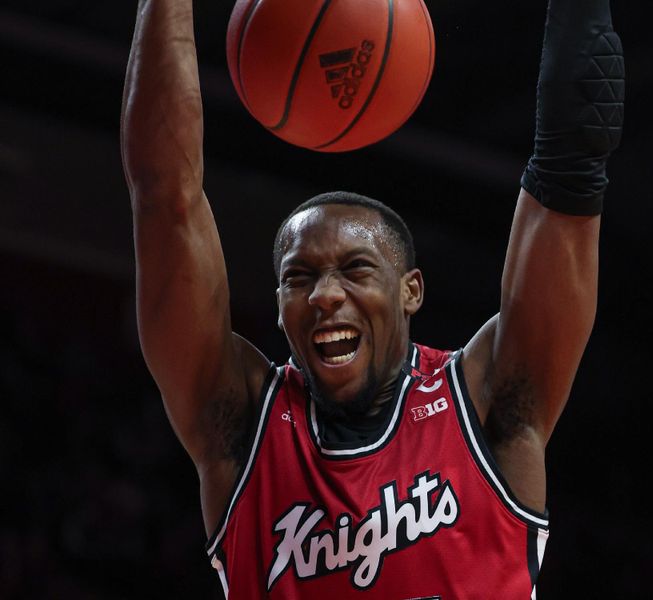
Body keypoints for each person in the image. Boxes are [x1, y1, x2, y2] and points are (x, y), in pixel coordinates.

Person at [121, 0, 623, 597]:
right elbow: (164, 197)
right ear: (280, 306)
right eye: (299, 277)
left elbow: (572, 165)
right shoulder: (239, 422)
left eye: (355, 269)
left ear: (411, 290)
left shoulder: (487, 401)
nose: (325, 295)